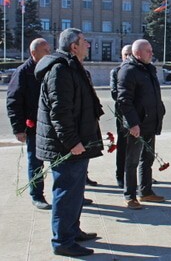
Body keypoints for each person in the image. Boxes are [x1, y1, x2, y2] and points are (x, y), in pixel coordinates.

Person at [34, 28, 103, 257]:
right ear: (74, 46)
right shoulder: (60, 70)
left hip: (77, 144)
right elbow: (60, 112)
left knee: (75, 193)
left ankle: (73, 231)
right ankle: (62, 241)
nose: (89, 45)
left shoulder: (73, 66)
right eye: (84, 41)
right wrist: (73, 142)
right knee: (65, 194)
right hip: (66, 146)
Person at [117, 39, 166, 209]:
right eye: (148, 51)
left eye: (151, 50)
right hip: (136, 125)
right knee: (132, 161)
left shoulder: (148, 69)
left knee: (148, 158)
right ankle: (129, 196)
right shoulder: (128, 70)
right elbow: (124, 100)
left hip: (150, 122)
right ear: (137, 53)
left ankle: (146, 191)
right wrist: (132, 123)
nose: (151, 54)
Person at [6, 38, 51, 210]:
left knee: (58, 162)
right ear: (34, 53)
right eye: (45, 50)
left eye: (49, 49)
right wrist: (18, 128)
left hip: (49, 124)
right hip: (33, 125)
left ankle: (66, 195)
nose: (49, 53)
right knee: (36, 161)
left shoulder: (48, 69)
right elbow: (13, 101)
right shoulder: (23, 72)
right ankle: (37, 195)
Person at [110, 44, 132, 188]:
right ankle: (120, 175)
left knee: (139, 145)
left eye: (131, 54)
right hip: (123, 113)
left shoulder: (139, 70)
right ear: (121, 56)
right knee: (123, 145)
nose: (128, 57)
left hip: (139, 113)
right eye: (126, 54)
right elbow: (114, 93)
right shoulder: (116, 71)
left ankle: (139, 174)